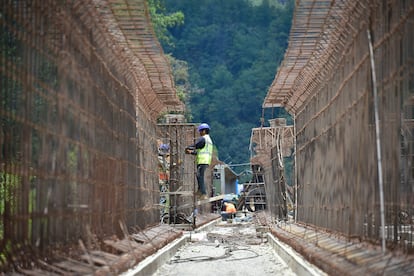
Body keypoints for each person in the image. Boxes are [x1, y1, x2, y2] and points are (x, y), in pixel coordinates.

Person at [185, 123, 213, 200]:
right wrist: (191, 152)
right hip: (205, 160)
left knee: (199, 175)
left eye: (200, 131)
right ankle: (200, 191)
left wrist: (188, 147)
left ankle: (203, 193)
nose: (199, 133)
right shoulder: (209, 140)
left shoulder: (203, 139)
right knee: (199, 175)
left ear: (204, 131)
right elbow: (199, 151)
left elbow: (196, 145)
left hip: (203, 160)